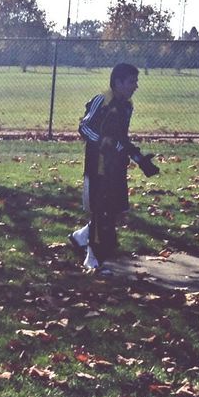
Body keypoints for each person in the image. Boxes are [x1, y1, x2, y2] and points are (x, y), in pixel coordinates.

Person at [70, 63, 159, 271]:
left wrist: (139, 158)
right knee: (101, 210)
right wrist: (103, 143)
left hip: (116, 166)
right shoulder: (102, 100)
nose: (135, 86)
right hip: (99, 166)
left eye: (136, 81)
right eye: (131, 82)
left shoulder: (127, 105)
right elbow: (84, 127)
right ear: (118, 82)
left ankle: (80, 237)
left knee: (115, 209)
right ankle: (93, 256)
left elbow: (121, 137)